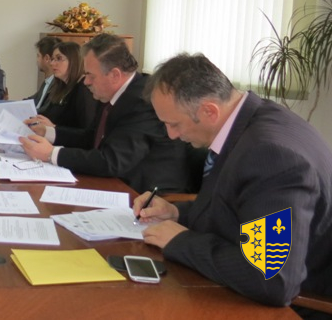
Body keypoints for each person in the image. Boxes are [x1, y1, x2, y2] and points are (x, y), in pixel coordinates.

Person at [133, 53, 332, 315]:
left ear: (209, 111)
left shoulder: (271, 157)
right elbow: (242, 205)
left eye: (174, 124)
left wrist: (180, 241)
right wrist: (176, 213)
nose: (171, 135)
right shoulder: (250, 117)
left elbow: (269, 277)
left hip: (298, 305)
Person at [20, 33, 192, 194]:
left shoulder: (142, 101)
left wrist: (51, 154)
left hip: (147, 195)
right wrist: (49, 132)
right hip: (116, 183)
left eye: (90, 75)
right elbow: (92, 137)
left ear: (115, 75)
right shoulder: (112, 94)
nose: (86, 82)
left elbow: (111, 161)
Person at [28, 41, 97, 129]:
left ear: (74, 60)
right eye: (52, 59)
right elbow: (46, 113)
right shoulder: (59, 87)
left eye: (59, 58)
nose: (52, 63)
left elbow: (87, 132)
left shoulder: (84, 89)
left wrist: (53, 127)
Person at [27, 36, 61, 109]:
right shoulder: (47, 82)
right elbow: (32, 100)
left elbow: (46, 110)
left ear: (47, 58)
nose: (37, 60)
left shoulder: (58, 84)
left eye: (38, 56)